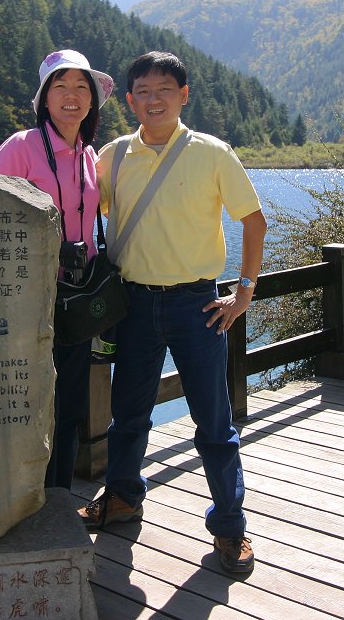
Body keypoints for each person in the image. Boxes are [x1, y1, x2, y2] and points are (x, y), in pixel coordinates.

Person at [79, 51, 267, 575]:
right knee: (128, 413)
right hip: (133, 304)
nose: (154, 98)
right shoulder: (112, 157)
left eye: (165, 89)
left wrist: (245, 291)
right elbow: (73, 205)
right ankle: (122, 497)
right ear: (130, 98)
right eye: (143, 89)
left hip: (198, 305)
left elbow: (254, 223)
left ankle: (230, 527)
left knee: (214, 422)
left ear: (184, 95)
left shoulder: (212, 153)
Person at [0, 49, 115, 490]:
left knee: (69, 407)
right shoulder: (21, 147)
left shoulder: (87, 154)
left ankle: (58, 498)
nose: (72, 96)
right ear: (44, 98)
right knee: (26, 404)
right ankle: (20, 499)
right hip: (31, 303)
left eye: (82, 87)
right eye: (60, 86)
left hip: (77, 301)